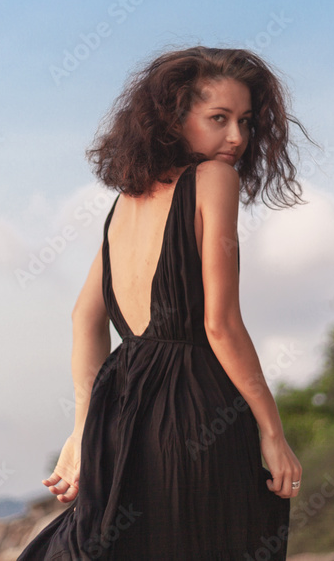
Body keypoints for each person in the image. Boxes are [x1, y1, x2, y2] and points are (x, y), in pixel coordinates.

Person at [18, 46, 318, 560]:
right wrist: (272, 431)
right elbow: (220, 325)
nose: (237, 137)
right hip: (196, 408)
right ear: (173, 120)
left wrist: (84, 431)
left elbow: (84, 317)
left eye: (246, 121)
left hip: (122, 414)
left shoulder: (125, 203)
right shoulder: (215, 180)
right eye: (218, 118)